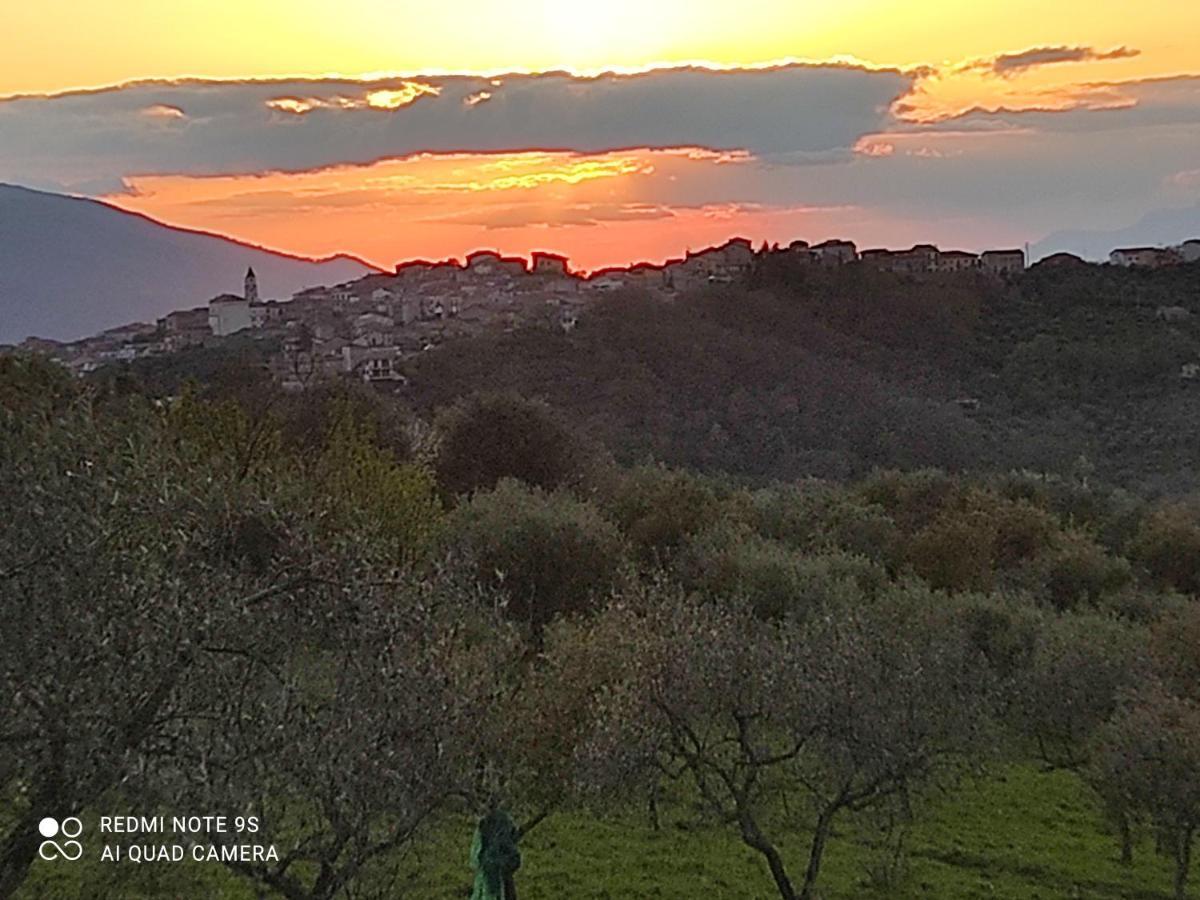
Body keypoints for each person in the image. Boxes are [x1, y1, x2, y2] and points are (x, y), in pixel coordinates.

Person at [469, 808, 521, 900]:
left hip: (497, 881)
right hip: (491, 881)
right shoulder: (486, 827)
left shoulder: (498, 827)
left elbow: (514, 859)